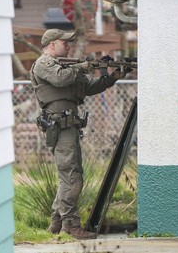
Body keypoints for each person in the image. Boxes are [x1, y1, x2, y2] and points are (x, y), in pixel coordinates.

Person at [30, 28, 127, 239]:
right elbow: (60, 79)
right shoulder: (45, 63)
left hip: (69, 126)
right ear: (52, 44)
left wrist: (111, 78)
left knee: (70, 175)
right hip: (60, 126)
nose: (68, 45)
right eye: (64, 42)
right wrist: (83, 66)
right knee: (72, 176)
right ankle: (71, 225)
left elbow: (88, 88)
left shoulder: (67, 67)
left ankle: (56, 224)